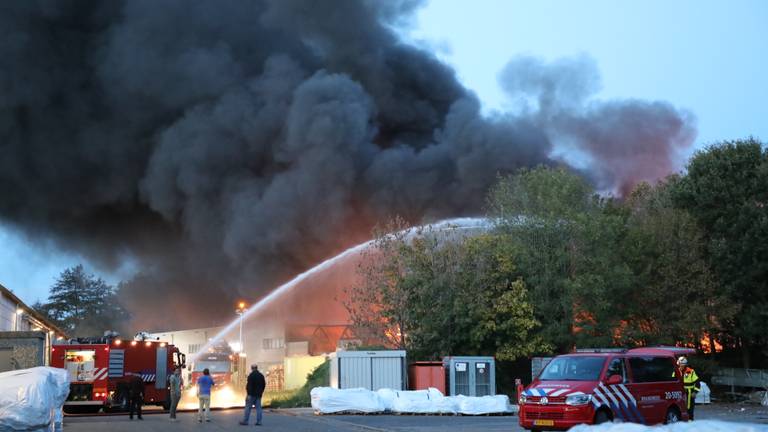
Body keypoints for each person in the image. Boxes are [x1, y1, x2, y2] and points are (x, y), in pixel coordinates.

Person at [677, 356, 701, 420]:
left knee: (690, 407)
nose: (680, 366)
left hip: (690, 392)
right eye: (679, 364)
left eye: (681, 365)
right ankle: (681, 421)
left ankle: (690, 421)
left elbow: (697, 383)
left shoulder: (691, 371)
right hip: (680, 392)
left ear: (685, 365)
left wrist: (695, 392)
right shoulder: (677, 371)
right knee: (680, 406)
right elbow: (672, 381)